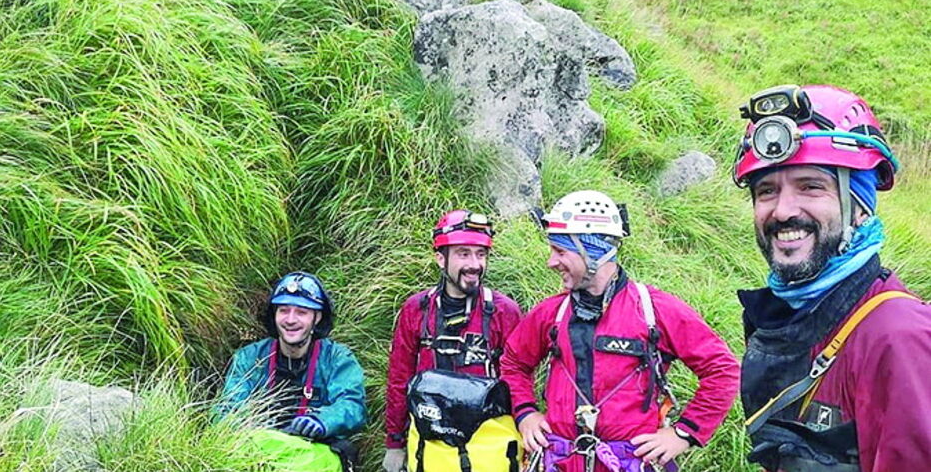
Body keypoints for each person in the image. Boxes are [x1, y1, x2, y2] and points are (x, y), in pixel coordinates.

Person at [732, 84, 931, 471]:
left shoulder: (897, 340)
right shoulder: (788, 317)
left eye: (811, 187)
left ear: (859, 207)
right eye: (767, 191)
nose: (783, 211)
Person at [501, 190, 739, 472]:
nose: (551, 262)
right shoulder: (552, 313)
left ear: (592, 252)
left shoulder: (654, 311)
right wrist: (526, 413)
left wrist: (684, 433)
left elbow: (722, 369)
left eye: (560, 251)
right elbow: (513, 362)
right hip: (561, 462)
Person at [382, 210, 523, 472]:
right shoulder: (417, 310)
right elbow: (399, 379)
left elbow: (518, 380)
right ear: (440, 258)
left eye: (481, 254)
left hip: (488, 449)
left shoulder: (504, 311)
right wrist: (395, 443)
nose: (474, 264)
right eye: (463, 254)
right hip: (430, 445)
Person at [215, 272, 367, 472]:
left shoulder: (337, 358)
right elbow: (225, 411)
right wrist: (263, 432)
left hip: (314, 450)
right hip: (259, 447)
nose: (290, 320)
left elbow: (352, 405)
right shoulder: (249, 358)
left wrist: (321, 421)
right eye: (283, 310)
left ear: (317, 317)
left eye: (302, 312)